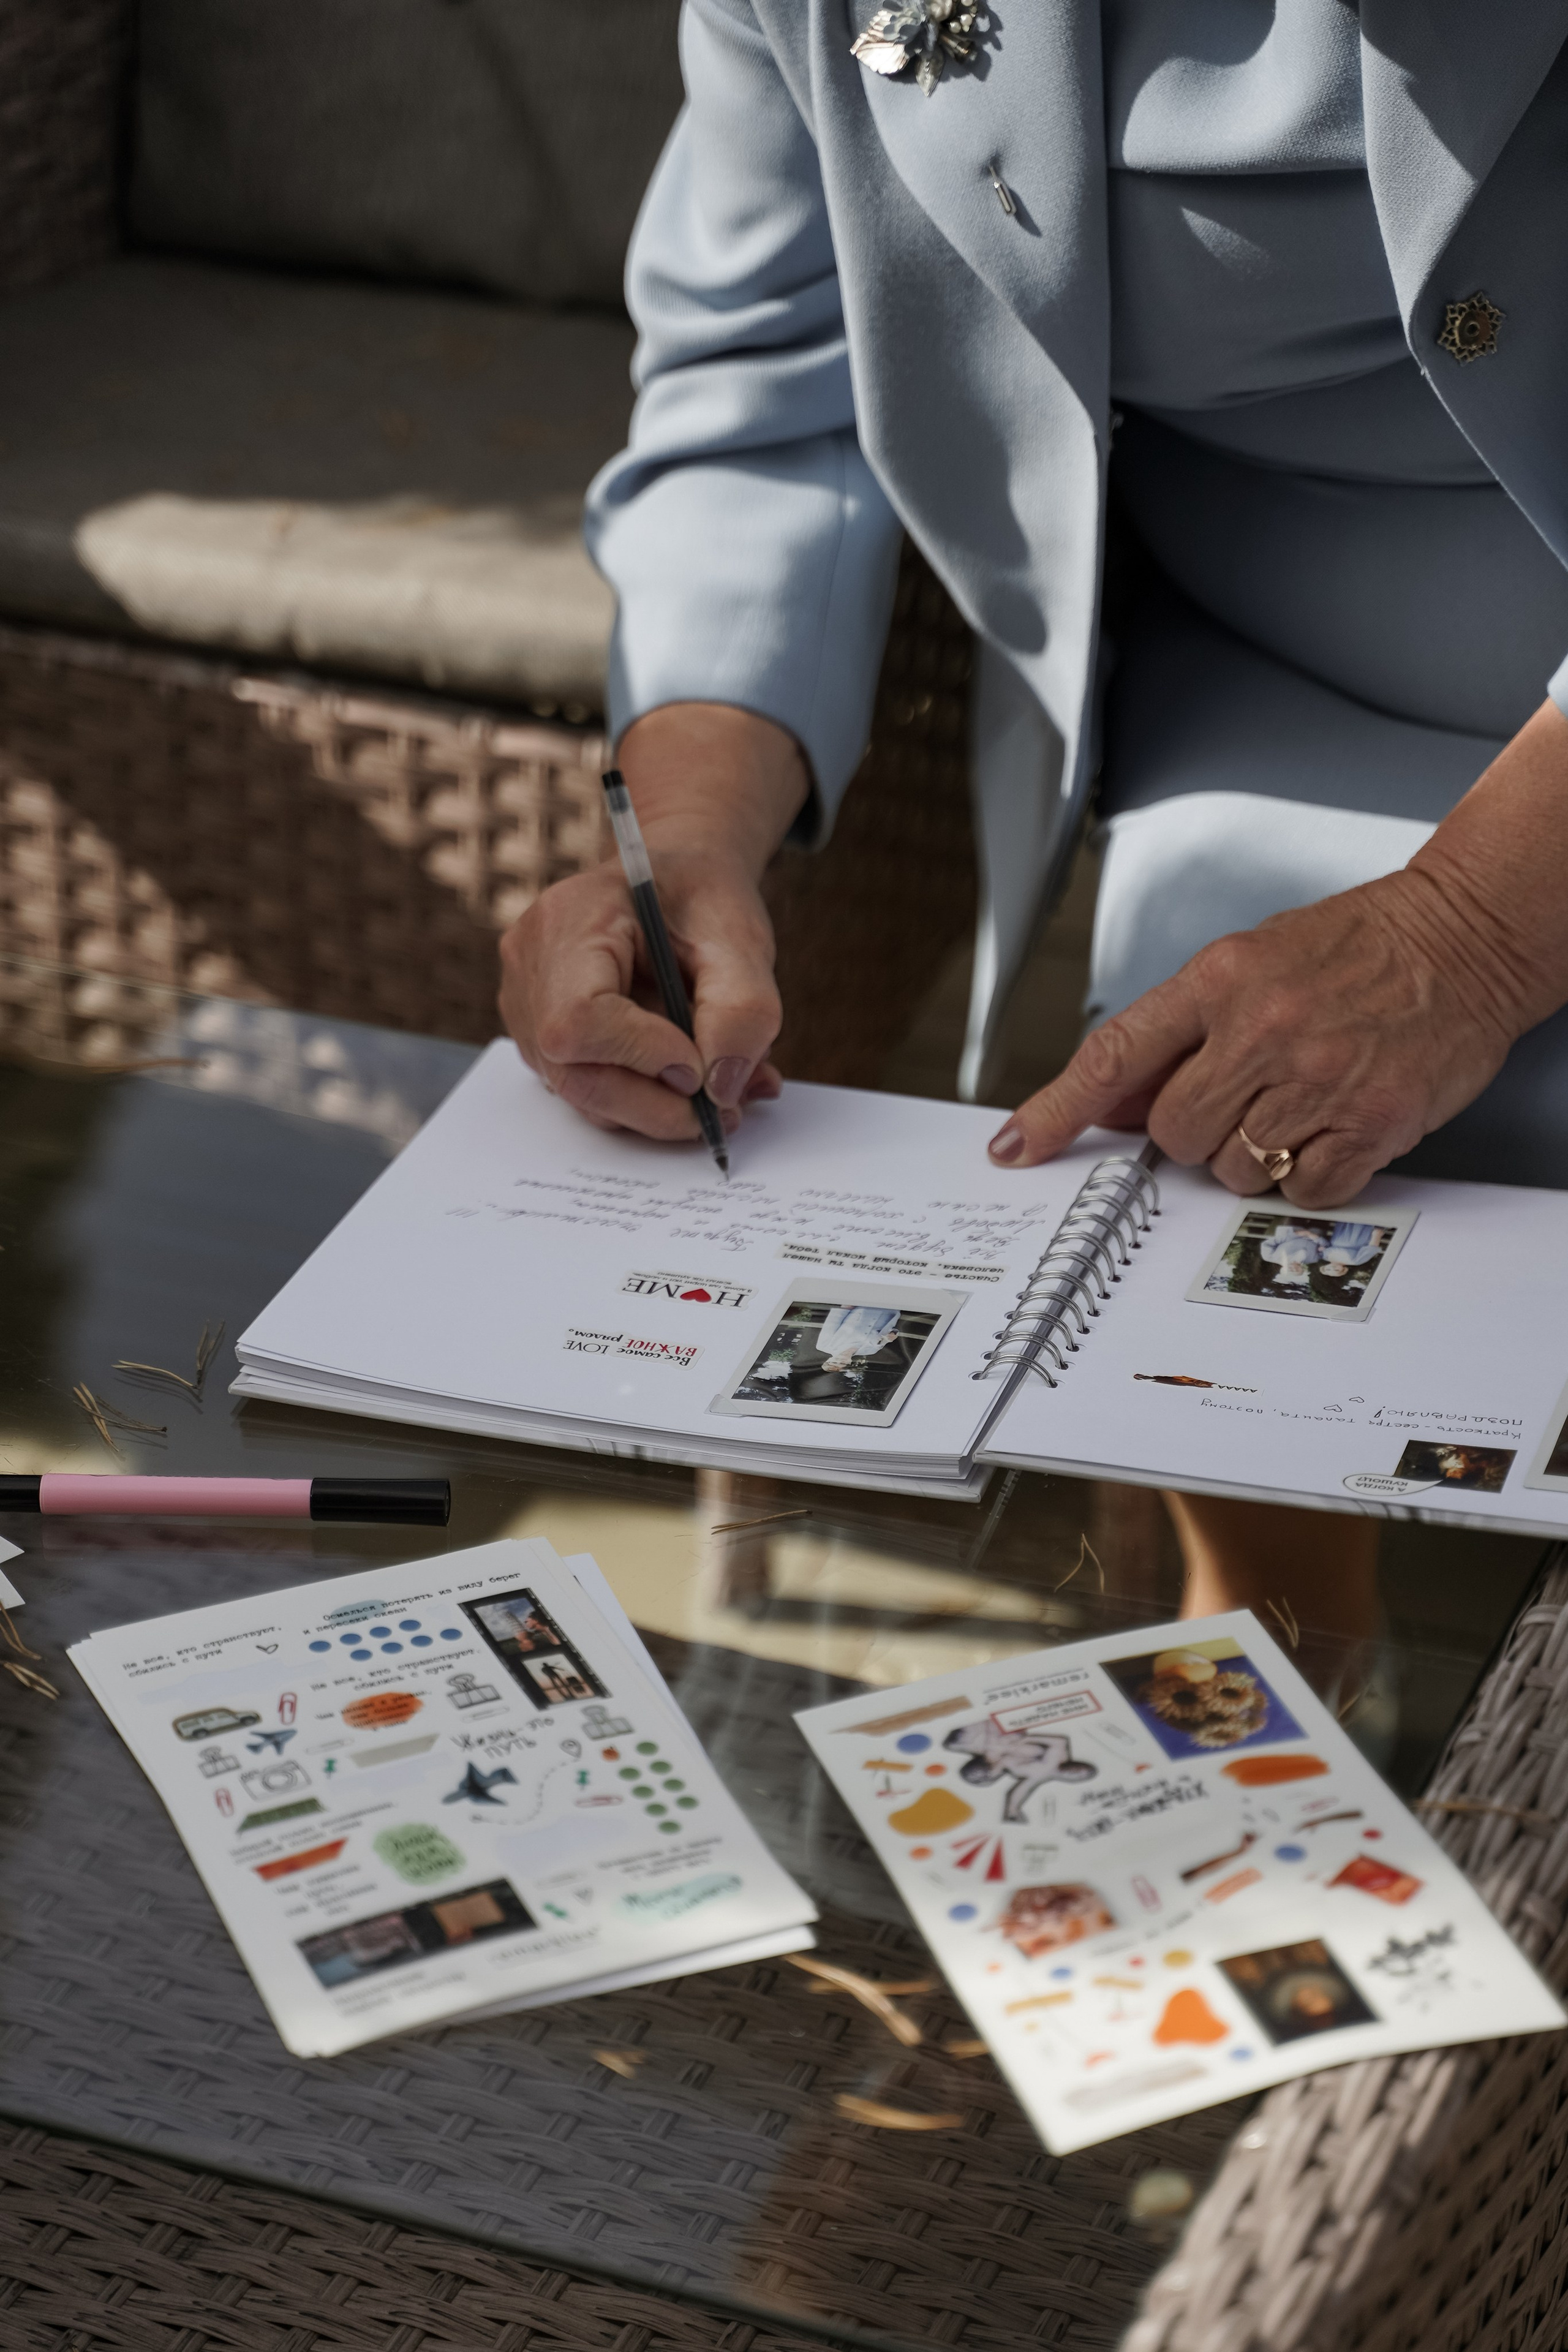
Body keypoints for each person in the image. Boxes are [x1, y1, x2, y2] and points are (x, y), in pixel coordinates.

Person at [499, 4, 1568, 1665]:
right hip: (1264, 690)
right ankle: (1289, 1681)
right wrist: (689, 834)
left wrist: (1473, 936)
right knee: (1226, 1178)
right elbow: (771, 384)